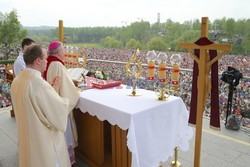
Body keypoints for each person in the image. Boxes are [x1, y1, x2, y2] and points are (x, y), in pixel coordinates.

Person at [11, 44, 71, 167]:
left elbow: (35, 106)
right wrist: (58, 93)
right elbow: (56, 112)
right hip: (43, 140)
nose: (47, 61)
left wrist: (51, 90)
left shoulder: (17, 81)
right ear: (38, 61)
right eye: (45, 58)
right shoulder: (39, 85)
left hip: (27, 136)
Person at [43, 41, 80, 165]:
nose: (65, 52)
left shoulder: (48, 62)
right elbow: (67, 89)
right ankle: (66, 160)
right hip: (60, 106)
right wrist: (76, 92)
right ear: (59, 52)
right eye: (63, 50)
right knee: (64, 134)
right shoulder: (57, 65)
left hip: (52, 104)